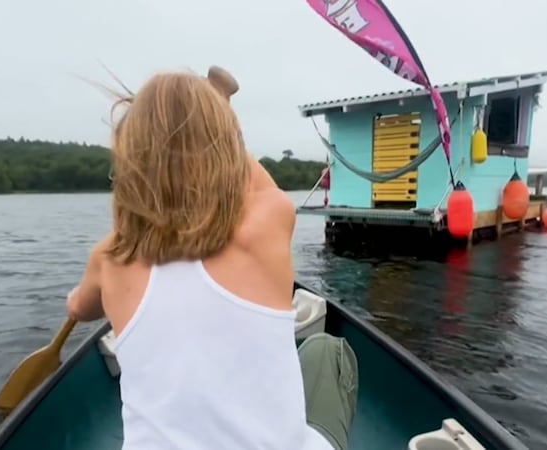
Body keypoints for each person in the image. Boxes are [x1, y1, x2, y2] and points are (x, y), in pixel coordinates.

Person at [65, 68, 358, 450]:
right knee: (329, 351)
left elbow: (79, 307)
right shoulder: (268, 220)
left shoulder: (107, 259)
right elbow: (246, 175)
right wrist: (217, 118)